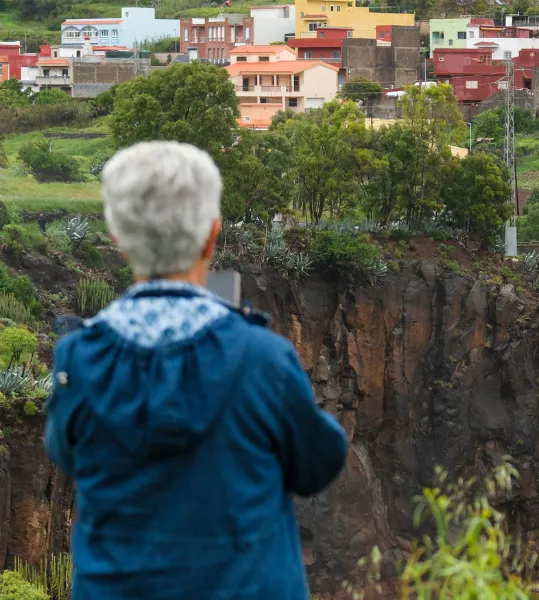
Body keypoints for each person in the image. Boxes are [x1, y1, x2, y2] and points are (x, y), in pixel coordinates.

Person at [44, 141, 348, 600]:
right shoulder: (262, 358)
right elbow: (319, 463)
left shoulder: (79, 362)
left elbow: (65, 455)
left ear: (118, 239)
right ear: (212, 234)